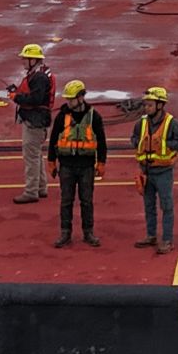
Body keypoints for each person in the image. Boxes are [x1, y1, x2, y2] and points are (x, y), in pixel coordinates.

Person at [48, 81, 106, 248]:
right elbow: (53, 139)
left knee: (86, 200)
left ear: (81, 98)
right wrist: (52, 161)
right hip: (66, 165)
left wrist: (101, 162)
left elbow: (101, 141)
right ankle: (65, 232)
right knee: (66, 200)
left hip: (86, 166)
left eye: (72, 99)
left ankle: (88, 232)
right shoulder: (62, 116)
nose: (69, 102)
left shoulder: (94, 116)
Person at [133, 86, 178, 253]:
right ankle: (151, 236)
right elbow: (134, 138)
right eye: (146, 105)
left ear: (160, 105)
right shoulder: (142, 122)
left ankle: (167, 240)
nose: (147, 108)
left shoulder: (172, 124)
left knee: (166, 206)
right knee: (148, 205)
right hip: (146, 171)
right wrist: (138, 144)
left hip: (163, 173)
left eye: (150, 105)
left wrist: (166, 144)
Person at [7, 43, 53, 203]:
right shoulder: (39, 74)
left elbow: (35, 99)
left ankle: (31, 191)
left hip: (35, 121)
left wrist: (16, 97)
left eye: (25, 59)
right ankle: (41, 187)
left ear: (33, 60)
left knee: (31, 156)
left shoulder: (38, 77)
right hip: (38, 119)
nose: (23, 62)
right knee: (37, 154)